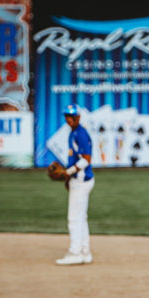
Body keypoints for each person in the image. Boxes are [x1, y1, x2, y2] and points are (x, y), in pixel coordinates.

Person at [56, 104, 95, 265]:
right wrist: (67, 177)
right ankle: (85, 252)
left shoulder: (81, 134)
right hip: (78, 179)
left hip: (81, 180)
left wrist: (68, 172)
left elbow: (86, 159)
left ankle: (75, 252)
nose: (68, 119)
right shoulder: (73, 133)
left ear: (77, 117)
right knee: (81, 218)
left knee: (74, 218)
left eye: (71, 116)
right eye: (67, 116)